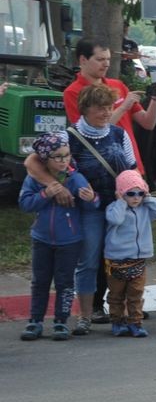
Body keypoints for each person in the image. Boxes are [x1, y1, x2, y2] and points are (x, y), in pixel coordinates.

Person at [25, 84, 138, 335]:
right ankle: (85, 315)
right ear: (85, 109)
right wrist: (55, 185)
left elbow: (132, 169)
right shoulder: (68, 136)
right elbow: (31, 159)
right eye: (100, 108)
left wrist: (137, 189)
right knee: (88, 261)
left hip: (119, 206)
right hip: (88, 209)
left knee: (122, 259)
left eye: (110, 107)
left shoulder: (120, 134)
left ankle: (124, 311)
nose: (107, 112)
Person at [18, 134, 97, 341]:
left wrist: (92, 199)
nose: (64, 161)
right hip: (41, 238)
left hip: (69, 241)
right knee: (40, 282)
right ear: (45, 159)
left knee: (64, 283)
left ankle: (61, 322)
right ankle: (35, 321)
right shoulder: (34, 179)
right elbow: (25, 204)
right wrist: (45, 194)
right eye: (57, 157)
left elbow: (91, 203)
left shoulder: (76, 178)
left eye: (67, 155)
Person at [61, 39, 156, 177]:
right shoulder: (73, 92)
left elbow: (148, 123)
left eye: (108, 59)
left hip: (130, 164)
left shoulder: (117, 85)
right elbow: (86, 133)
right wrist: (123, 107)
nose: (106, 64)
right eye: (100, 59)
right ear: (83, 60)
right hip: (99, 168)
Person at [104, 170, 156, 337]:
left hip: (138, 260)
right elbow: (115, 220)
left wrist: (148, 197)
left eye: (140, 194)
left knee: (136, 294)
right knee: (116, 294)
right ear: (122, 193)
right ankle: (117, 321)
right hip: (116, 260)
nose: (136, 197)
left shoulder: (145, 209)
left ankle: (135, 322)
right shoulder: (114, 208)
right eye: (131, 193)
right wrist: (120, 202)